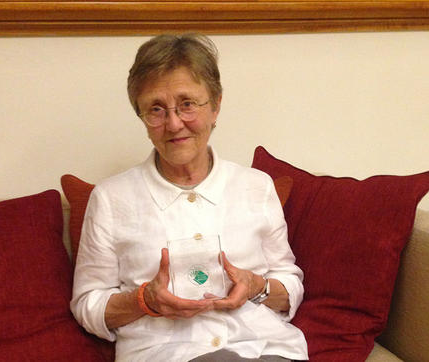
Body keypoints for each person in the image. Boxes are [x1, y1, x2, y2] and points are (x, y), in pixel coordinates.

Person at [70, 34, 308, 362]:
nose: (174, 123)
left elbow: (288, 284)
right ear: (142, 117)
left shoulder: (256, 186)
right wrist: (144, 301)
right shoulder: (111, 199)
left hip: (264, 349)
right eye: (156, 109)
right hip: (164, 354)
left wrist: (257, 286)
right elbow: (87, 303)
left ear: (216, 105)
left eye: (187, 104)